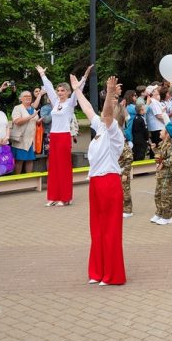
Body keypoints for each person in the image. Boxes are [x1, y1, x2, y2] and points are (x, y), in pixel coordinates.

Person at [71, 73, 127, 286]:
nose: (106, 114)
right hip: (95, 182)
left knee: (110, 231)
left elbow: (105, 114)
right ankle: (97, 272)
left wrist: (111, 93)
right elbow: (87, 108)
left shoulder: (114, 132)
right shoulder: (100, 129)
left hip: (110, 183)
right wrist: (77, 89)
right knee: (97, 230)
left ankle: (112, 275)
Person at [37, 65, 88, 206]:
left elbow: (79, 90)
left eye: (62, 90)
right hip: (53, 136)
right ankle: (53, 196)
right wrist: (42, 74)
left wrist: (84, 77)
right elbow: (48, 86)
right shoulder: (55, 102)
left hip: (64, 136)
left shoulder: (71, 103)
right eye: (58, 90)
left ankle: (66, 197)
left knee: (64, 167)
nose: (59, 93)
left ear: (68, 92)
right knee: (53, 167)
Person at [150, 119, 172, 225]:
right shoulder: (162, 144)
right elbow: (160, 156)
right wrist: (154, 150)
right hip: (161, 175)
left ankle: (167, 217)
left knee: (165, 195)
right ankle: (159, 213)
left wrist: (163, 163)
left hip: (167, 175)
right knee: (158, 194)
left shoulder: (170, 146)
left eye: (162, 131)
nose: (160, 132)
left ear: (167, 134)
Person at [10, 90, 41, 174]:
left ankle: (29, 180)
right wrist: (31, 117)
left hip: (31, 139)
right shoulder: (17, 108)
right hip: (21, 139)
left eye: (29, 96)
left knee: (30, 160)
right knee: (20, 160)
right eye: (25, 96)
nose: (28, 98)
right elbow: (17, 121)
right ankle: (17, 180)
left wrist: (39, 121)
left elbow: (35, 121)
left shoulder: (33, 109)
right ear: (21, 99)